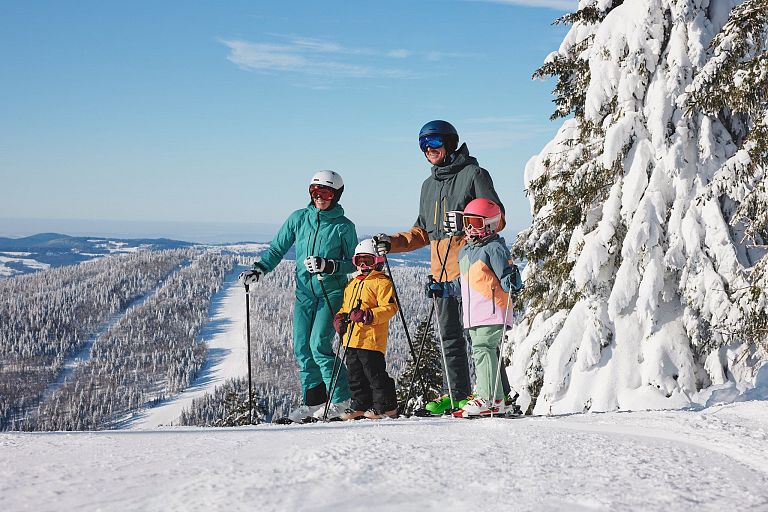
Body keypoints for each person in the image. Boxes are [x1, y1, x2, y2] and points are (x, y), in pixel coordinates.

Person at [374, 120, 509, 416]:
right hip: (442, 272)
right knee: (449, 336)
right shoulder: (428, 185)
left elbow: (497, 218)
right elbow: (422, 232)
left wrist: (463, 221)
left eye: (434, 142)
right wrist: (391, 243)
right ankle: (458, 394)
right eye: (423, 145)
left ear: (449, 143)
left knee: (482, 337)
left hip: (474, 269)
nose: (428, 149)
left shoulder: (474, 174)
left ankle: (500, 396)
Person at [240, 170, 356, 423]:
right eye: (315, 192)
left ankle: (342, 401)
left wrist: (329, 265)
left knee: (319, 346)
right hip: (304, 292)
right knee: (302, 348)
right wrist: (259, 269)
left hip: (331, 292)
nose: (319, 198)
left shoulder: (343, 227)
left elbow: (353, 263)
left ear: (336, 195)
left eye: (326, 193)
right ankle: (314, 402)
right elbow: (277, 248)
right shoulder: (299, 218)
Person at [452, 199, 522, 417]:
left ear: (490, 224)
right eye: (467, 222)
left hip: (492, 311)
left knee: (483, 350)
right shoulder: (465, 252)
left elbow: (509, 281)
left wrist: (512, 279)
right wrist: (443, 288)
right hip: (474, 315)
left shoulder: (494, 249)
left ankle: (488, 398)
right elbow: (462, 283)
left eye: (476, 222)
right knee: (484, 351)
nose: (470, 227)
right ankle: (498, 398)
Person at [332, 239, 399, 420]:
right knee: (354, 374)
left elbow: (390, 308)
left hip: (371, 338)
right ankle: (360, 404)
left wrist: (367, 315)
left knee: (374, 373)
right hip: (351, 338)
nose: (362, 265)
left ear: (377, 261)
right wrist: (340, 318)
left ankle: (386, 406)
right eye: (358, 261)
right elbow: (346, 308)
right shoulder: (352, 284)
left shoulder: (381, 282)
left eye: (367, 261)